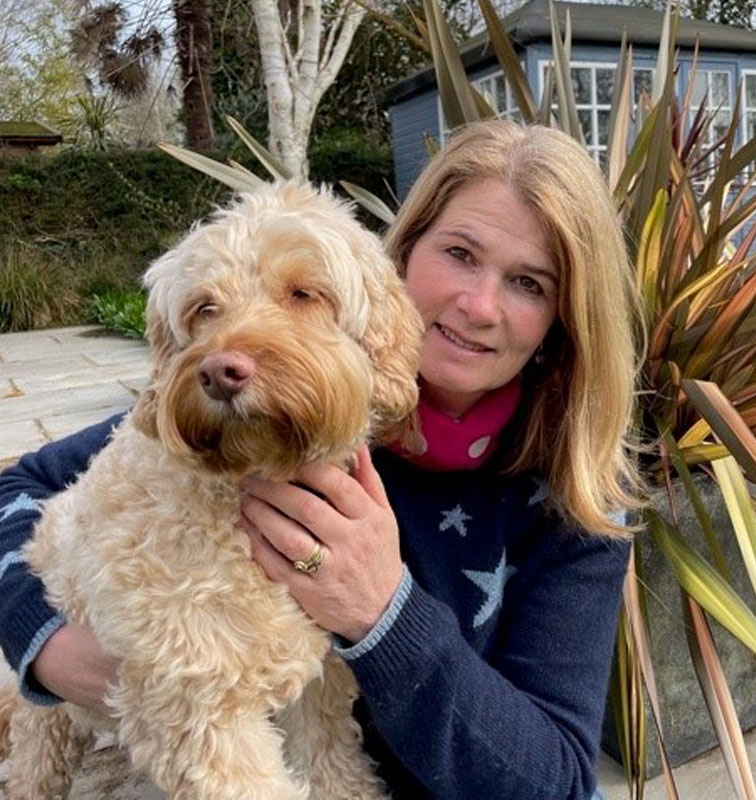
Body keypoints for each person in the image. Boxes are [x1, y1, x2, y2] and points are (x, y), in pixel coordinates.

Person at [0, 119, 643, 800]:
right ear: (404, 253)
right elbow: (20, 487)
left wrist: (382, 613)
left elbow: (562, 783)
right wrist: (45, 646)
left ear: (563, 318)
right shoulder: (262, 418)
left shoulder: (577, 495)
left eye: (528, 283)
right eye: (458, 253)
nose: (479, 305)